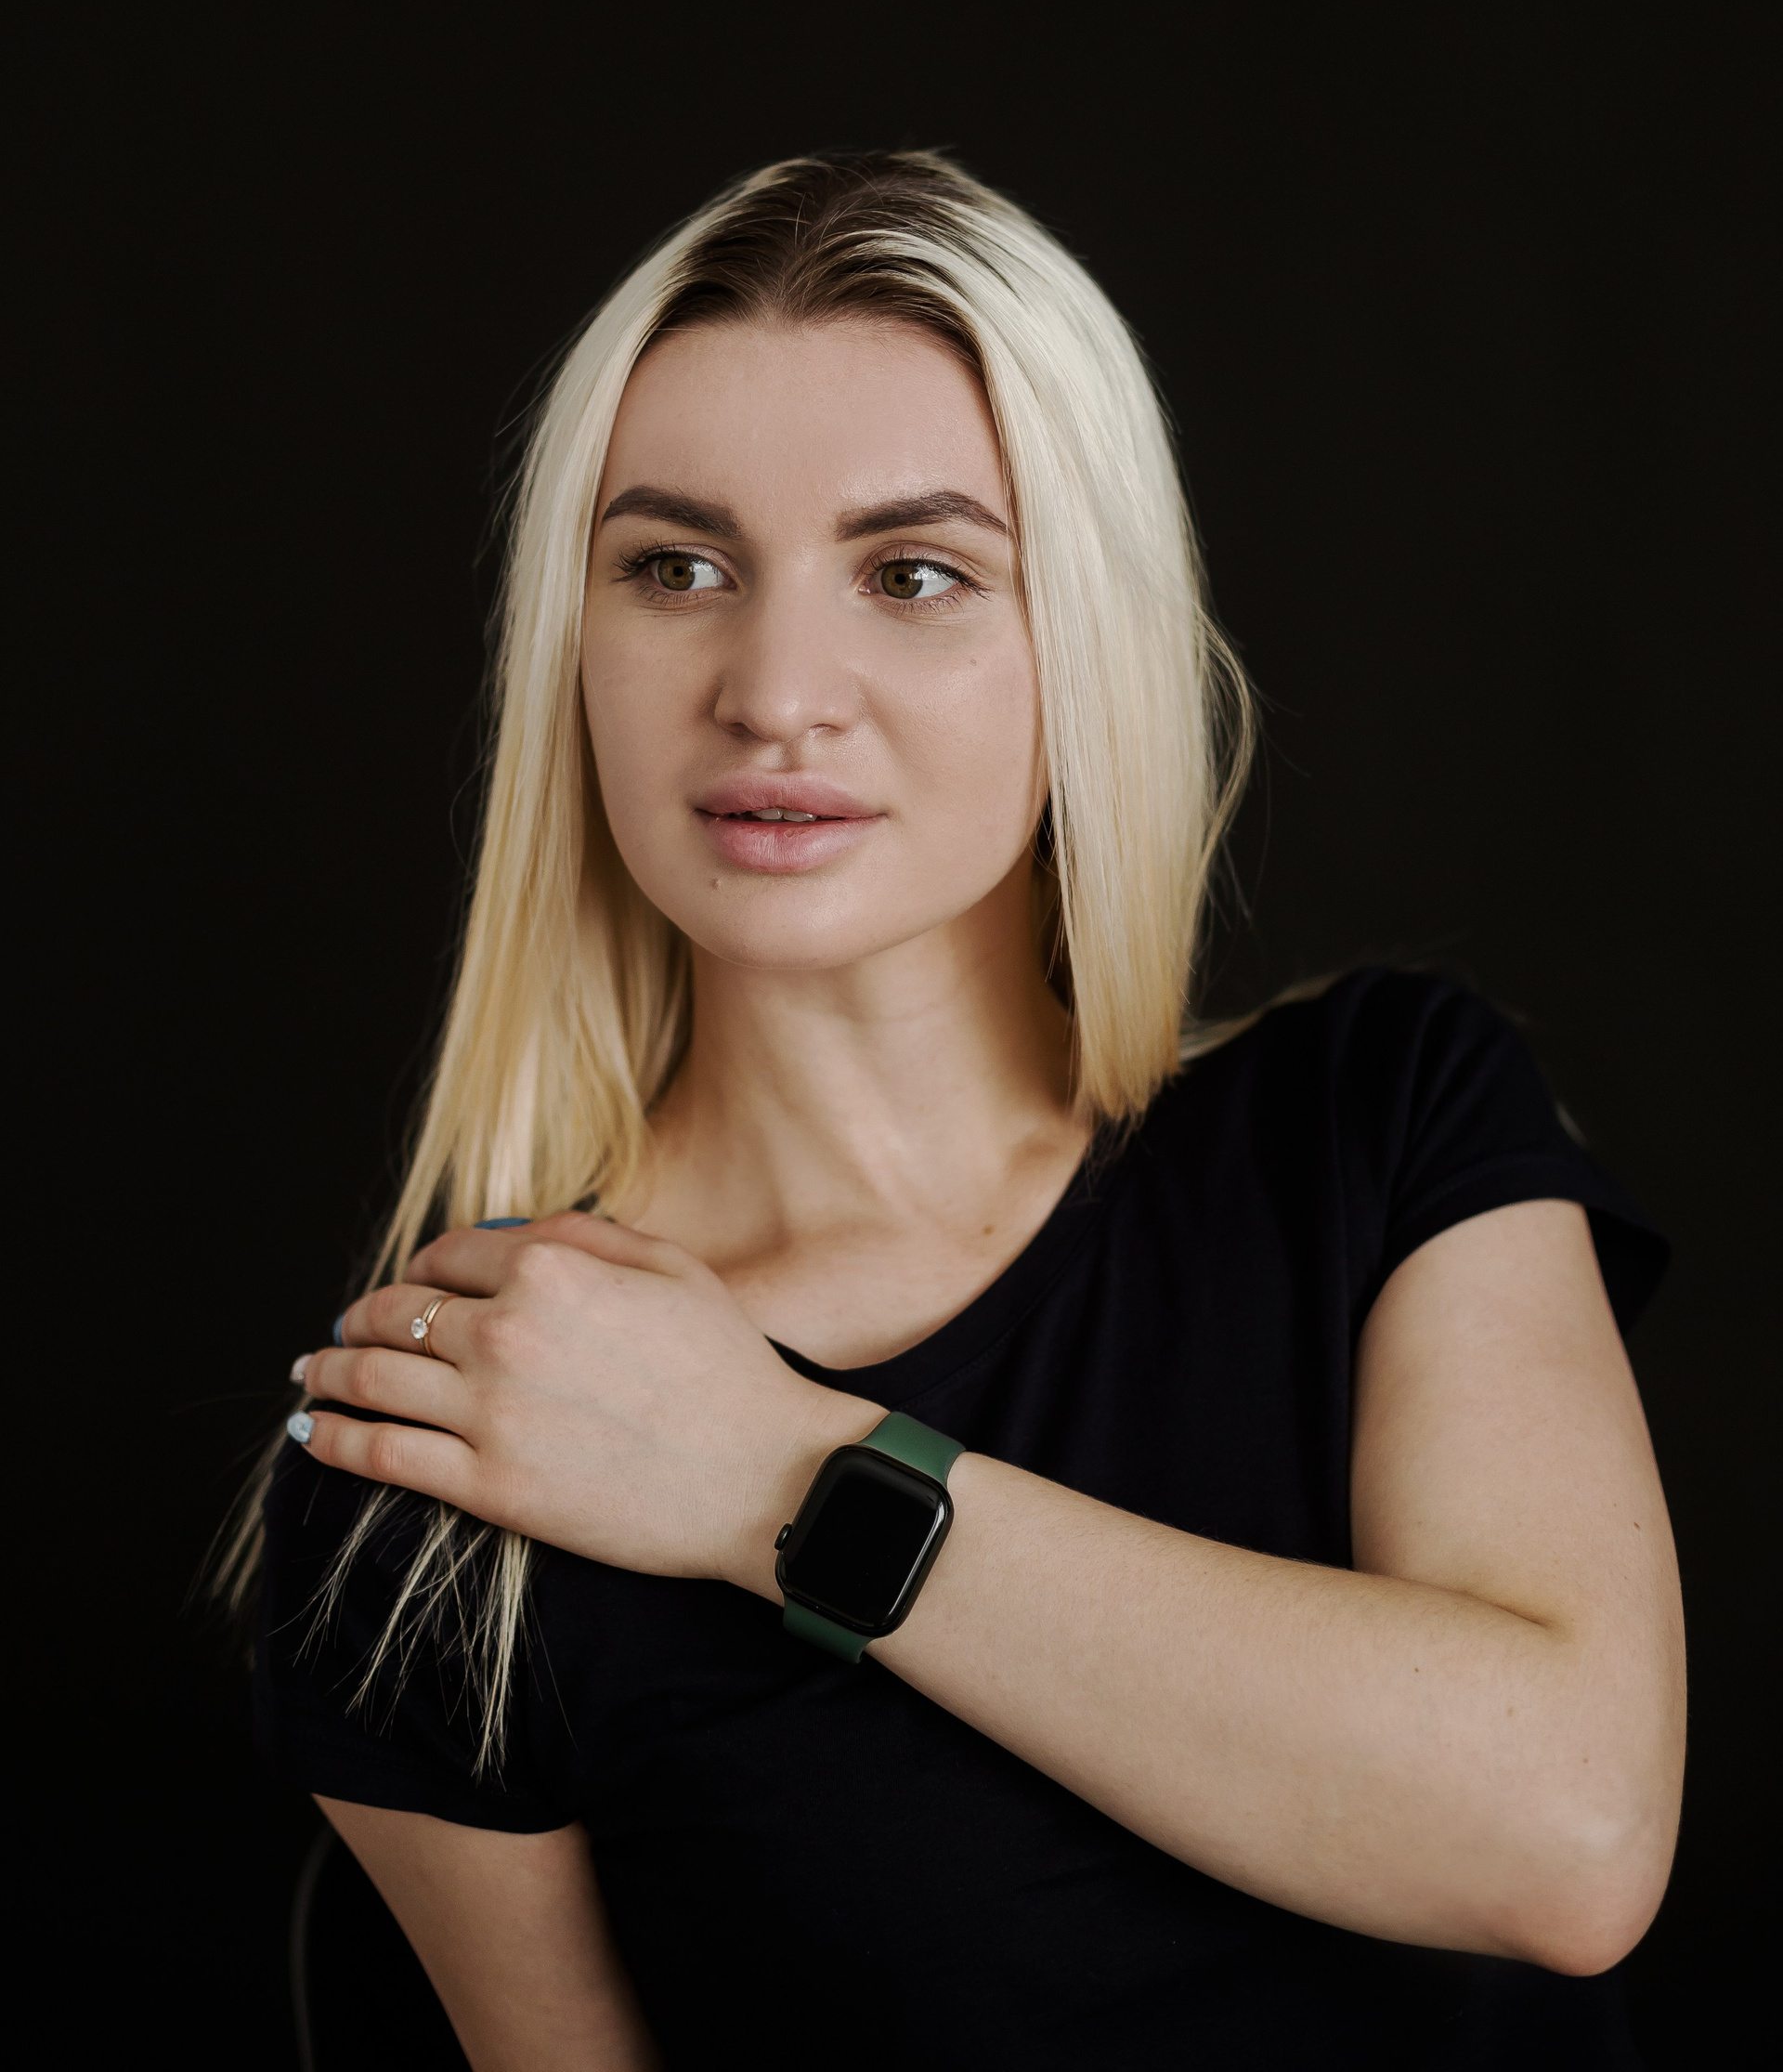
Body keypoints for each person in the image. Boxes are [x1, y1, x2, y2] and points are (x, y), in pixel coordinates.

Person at [245, 150, 1684, 2069]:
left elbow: (1567, 1837)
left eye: (913, 573)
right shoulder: (460, 1439)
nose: (776, 692)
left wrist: (776, 1480)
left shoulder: (1382, 1123)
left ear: (1085, 631)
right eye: (676, 568)